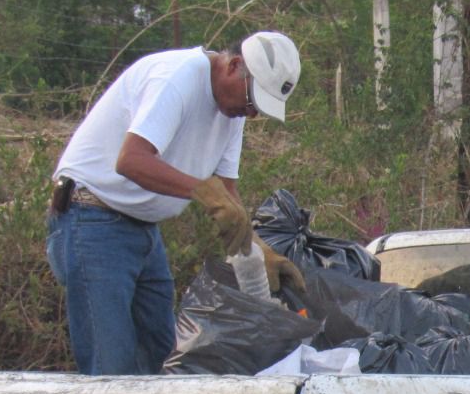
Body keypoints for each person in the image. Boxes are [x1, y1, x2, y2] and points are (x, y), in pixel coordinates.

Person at [46, 31, 306, 375]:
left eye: (258, 108)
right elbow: (131, 161)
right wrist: (201, 191)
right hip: (92, 219)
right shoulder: (177, 79)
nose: (251, 113)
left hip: (141, 230)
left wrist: (258, 249)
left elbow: (227, 192)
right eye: (252, 100)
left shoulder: (234, 113)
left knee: (161, 353)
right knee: (110, 364)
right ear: (234, 65)